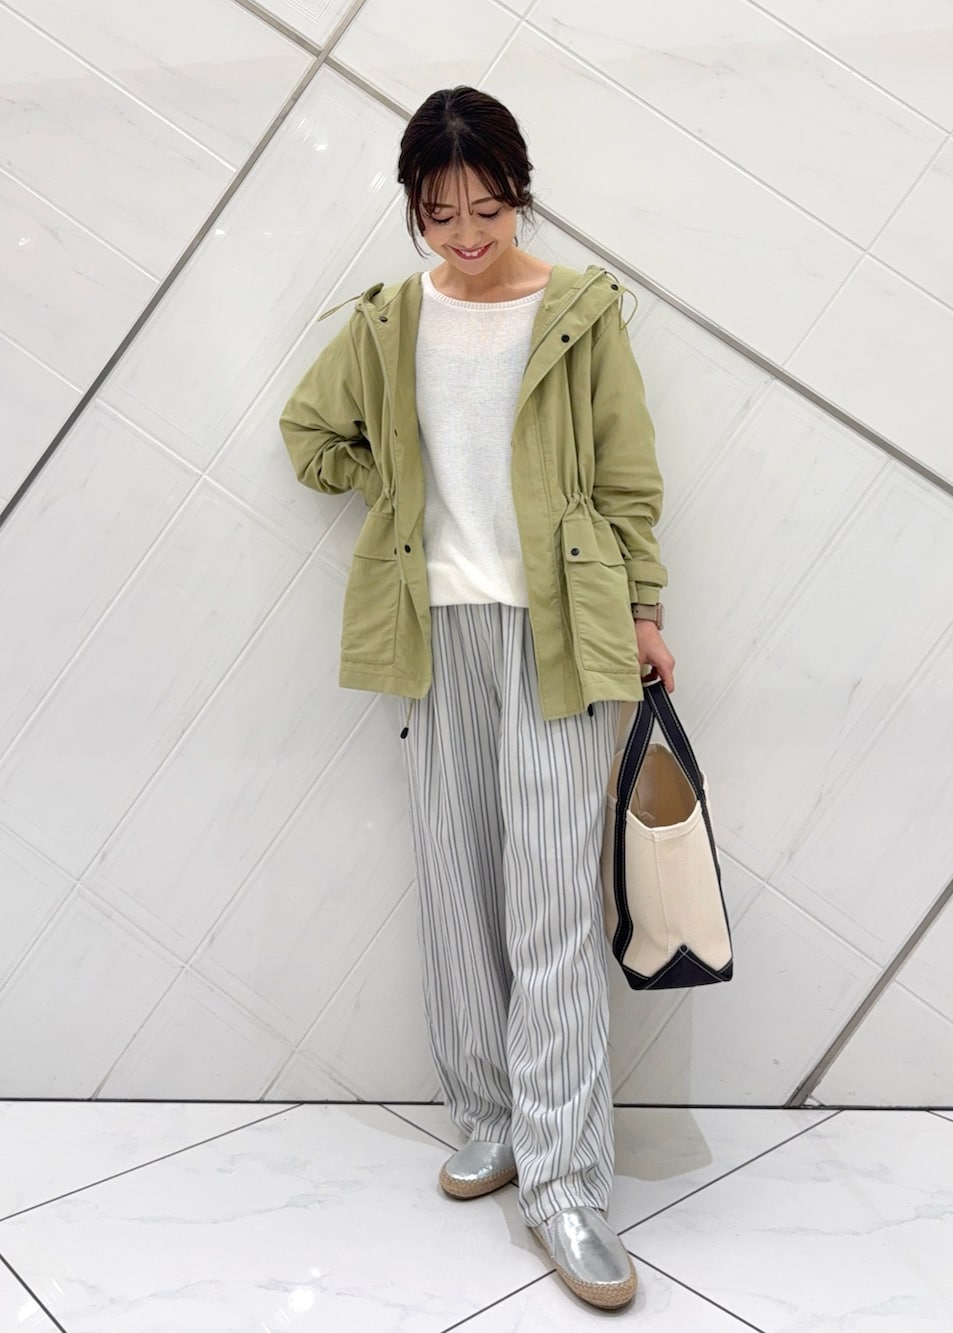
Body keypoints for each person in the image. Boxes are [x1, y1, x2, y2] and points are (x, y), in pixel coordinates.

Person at [279, 85, 675, 1312]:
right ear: (413, 209)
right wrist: (392, 490)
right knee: (456, 884)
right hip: (434, 626)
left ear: (519, 194)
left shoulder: (579, 310)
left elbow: (628, 475)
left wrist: (645, 610)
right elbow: (309, 434)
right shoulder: (389, 318)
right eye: (439, 214)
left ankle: (568, 1180)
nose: (464, 236)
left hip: (556, 627)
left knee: (552, 901)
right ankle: (490, 1117)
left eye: (486, 210)